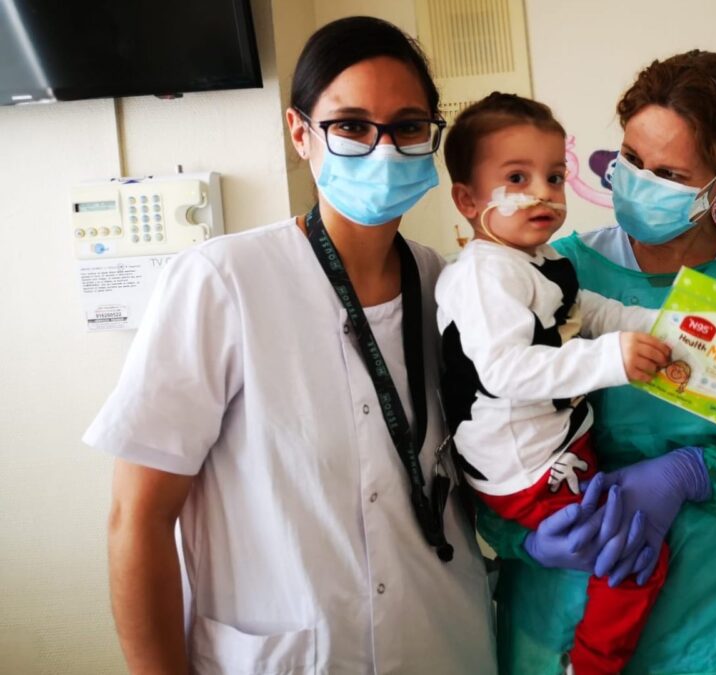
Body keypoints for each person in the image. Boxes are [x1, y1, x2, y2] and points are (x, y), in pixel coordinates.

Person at [85, 17, 495, 673]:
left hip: (445, 637)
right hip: (292, 656)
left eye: (408, 126)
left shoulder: (446, 283)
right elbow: (137, 517)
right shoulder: (222, 283)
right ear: (301, 132)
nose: (383, 149)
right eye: (353, 125)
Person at [478, 50, 716, 675]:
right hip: (567, 609)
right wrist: (526, 538)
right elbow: (481, 430)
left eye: (670, 174)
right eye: (631, 161)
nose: (641, 183)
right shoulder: (549, 273)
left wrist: (694, 472)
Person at [435, 92, 674, 674]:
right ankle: (592, 665)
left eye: (555, 176)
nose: (543, 192)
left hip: (558, 446)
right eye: (517, 177)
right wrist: (612, 360)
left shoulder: (534, 260)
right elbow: (506, 372)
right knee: (636, 556)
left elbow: (592, 310)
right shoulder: (484, 277)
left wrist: (664, 327)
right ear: (467, 200)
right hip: (526, 467)